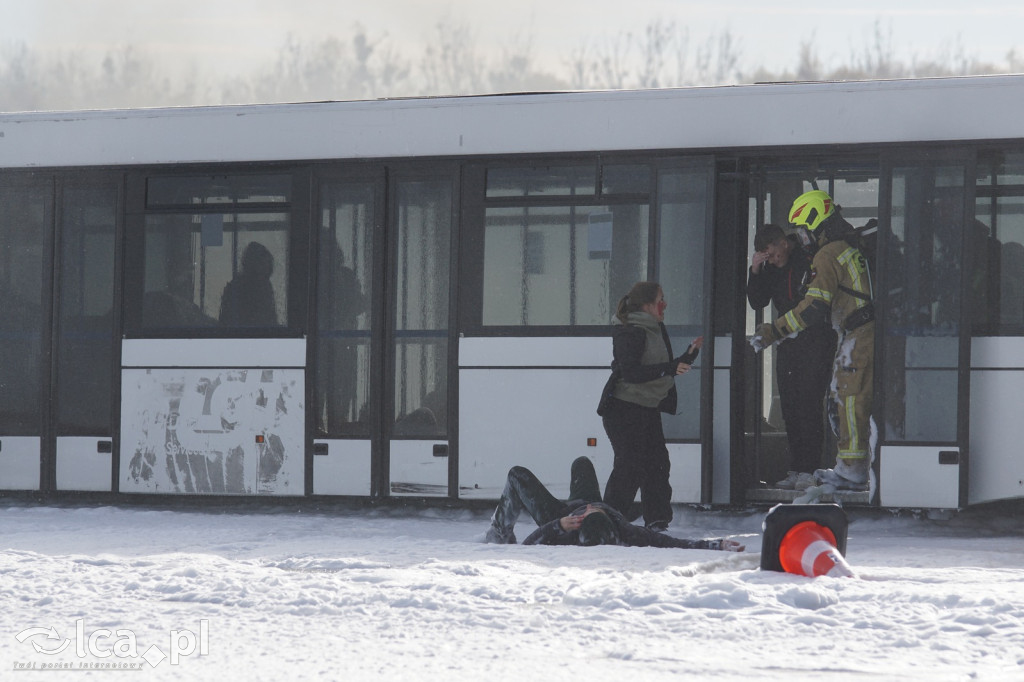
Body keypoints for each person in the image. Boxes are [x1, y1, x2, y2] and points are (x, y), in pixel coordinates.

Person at [750, 190, 874, 491]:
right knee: (841, 401)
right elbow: (758, 299)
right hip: (849, 332)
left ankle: (851, 471)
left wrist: (774, 330)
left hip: (839, 336)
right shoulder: (842, 246)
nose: (802, 236)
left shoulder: (825, 254)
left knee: (845, 401)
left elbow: (814, 307)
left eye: (804, 229)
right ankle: (844, 468)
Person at [597, 281, 702, 531]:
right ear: (646, 305)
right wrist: (669, 367)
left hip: (646, 408)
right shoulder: (629, 330)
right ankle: (607, 523)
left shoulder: (655, 328)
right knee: (629, 466)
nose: (664, 305)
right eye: (660, 300)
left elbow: (661, 370)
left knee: (657, 464)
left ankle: (657, 521)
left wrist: (688, 356)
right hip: (623, 409)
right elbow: (632, 372)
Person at [483, 456, 743, 550]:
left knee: (517, 474)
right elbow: (673, 543)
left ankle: (499, 533)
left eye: (588, 514)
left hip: (560, 515)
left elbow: (530, 544)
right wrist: (717, 544)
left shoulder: (571, 532)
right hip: (590, 504)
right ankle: (590, 498)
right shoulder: (624, 528)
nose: (589, 511)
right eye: (593, 513)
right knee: (582, 462)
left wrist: (560, 525)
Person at [747, 224, 837, 490]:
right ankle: (796, 468)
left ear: (783, 244)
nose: (773, 260)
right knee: (791, 407)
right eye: (767, 257)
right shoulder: (771, 270)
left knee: (809, 405)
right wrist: (755, 269)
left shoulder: (806, 260)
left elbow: (814, 304)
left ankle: (811, 468)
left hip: (814, 340)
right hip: (786, 341)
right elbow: (757, 301)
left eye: (773, 254)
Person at [219, 241, 278, 326]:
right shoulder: (236, 289)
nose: (263, 278)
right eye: (261, 267)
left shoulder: (265, 286)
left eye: (266, 275)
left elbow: (271, 319)